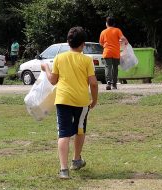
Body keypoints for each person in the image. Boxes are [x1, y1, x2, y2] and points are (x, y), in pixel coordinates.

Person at [41, 26, 98, 179]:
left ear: (68, 42)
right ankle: (76, 159)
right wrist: (95, 99)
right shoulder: (87, 60)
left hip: (63, 100)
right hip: (82, 101)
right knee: (80, 129)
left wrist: (46, 67)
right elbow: (93, 83)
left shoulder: (60, 58)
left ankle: (64, 169)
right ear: (83, 44)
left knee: (64, 133)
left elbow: (53, 80)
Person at [99, 16, 128, 90]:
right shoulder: (117, 30)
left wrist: (106, 45)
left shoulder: (103, 32)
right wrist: (126, 42)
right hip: (115, 52)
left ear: (106, 23)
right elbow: (123, 38)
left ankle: (108, 83)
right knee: (115, 68)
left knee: (108, 67)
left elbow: (101, 43)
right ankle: (114, 85)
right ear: (114, 24)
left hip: (107, 52)